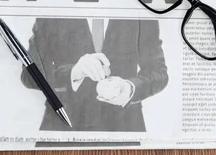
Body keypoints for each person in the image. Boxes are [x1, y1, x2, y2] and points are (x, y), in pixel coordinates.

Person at [21, 18, 168, 132]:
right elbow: (29, 75)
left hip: (123, 126)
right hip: (63, 125)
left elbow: (158, 72)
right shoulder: (52, 7)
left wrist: (130, 88)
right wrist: (74, 72)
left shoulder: (139, 9)